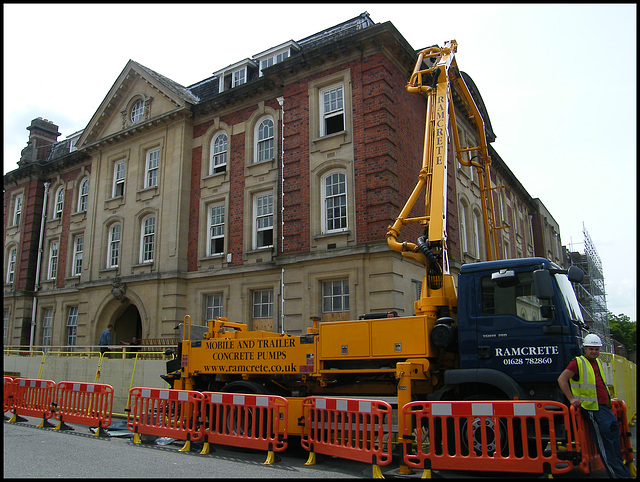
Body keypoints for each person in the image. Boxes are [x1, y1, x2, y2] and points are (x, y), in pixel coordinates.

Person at [557, 333, 631, 478]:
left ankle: (622, 472)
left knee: (614, 441)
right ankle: (618, 475)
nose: (594, 352)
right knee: (606, 445)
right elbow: (562, 379)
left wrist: (609, 398)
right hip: (592, 408)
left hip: (604, 407)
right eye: (591, 349)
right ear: (584, 348)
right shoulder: (578, 362)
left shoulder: (597, 362)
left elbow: (599, 384)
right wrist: (571, 399)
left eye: (596, 349)